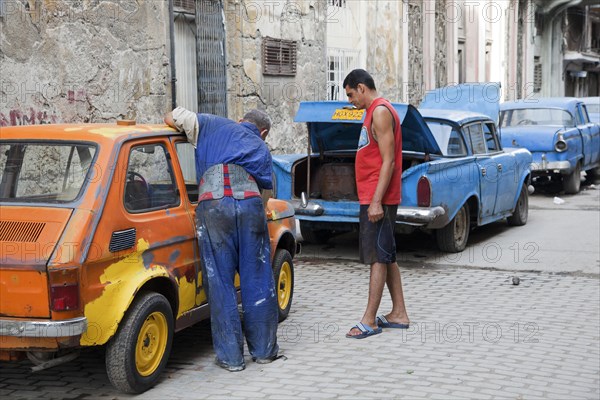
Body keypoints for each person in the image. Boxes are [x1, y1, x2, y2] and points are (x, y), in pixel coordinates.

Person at [164, 107, 278, 370]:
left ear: (240, 120)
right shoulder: (261, 149)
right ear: (262, 133)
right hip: (250, 206)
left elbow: (172, 117)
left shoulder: (211, 124)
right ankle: (263, 351)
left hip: (213, 207)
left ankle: (231, 359)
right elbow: (265, 196)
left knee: (221, 282)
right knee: (257, 279)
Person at [342, 69, 410, 339]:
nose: (349, 100)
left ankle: (369, 319)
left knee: (377, 256)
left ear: (361, 88)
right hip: (374, 196)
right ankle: (399, 313)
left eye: (350, 94)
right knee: (387, 253)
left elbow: (389, 161)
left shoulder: (380, 111)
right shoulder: (376, 111)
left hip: (377, 198)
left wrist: (376, 202)